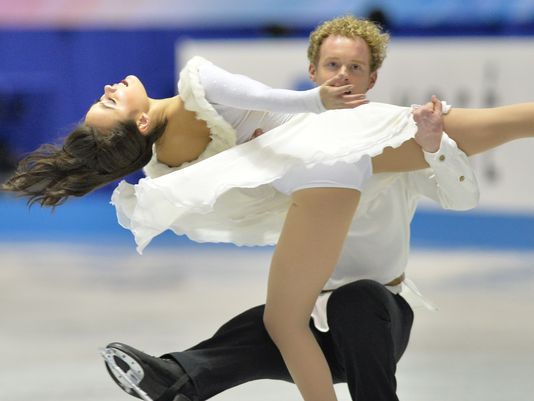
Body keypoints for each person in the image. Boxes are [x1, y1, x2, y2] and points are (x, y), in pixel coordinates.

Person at [3, 15, 534, 401]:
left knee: (284, 322)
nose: (107, 87)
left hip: (337, 175)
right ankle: (179, 378)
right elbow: (277, 100)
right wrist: (317, 101)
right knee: (280, 322)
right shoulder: (198, 83)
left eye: (353, 66)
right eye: (110, 102)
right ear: (139, 124)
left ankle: (180, 378)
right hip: (330, 158)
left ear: (372, 76)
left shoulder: (165, 162)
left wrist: (416, 138)